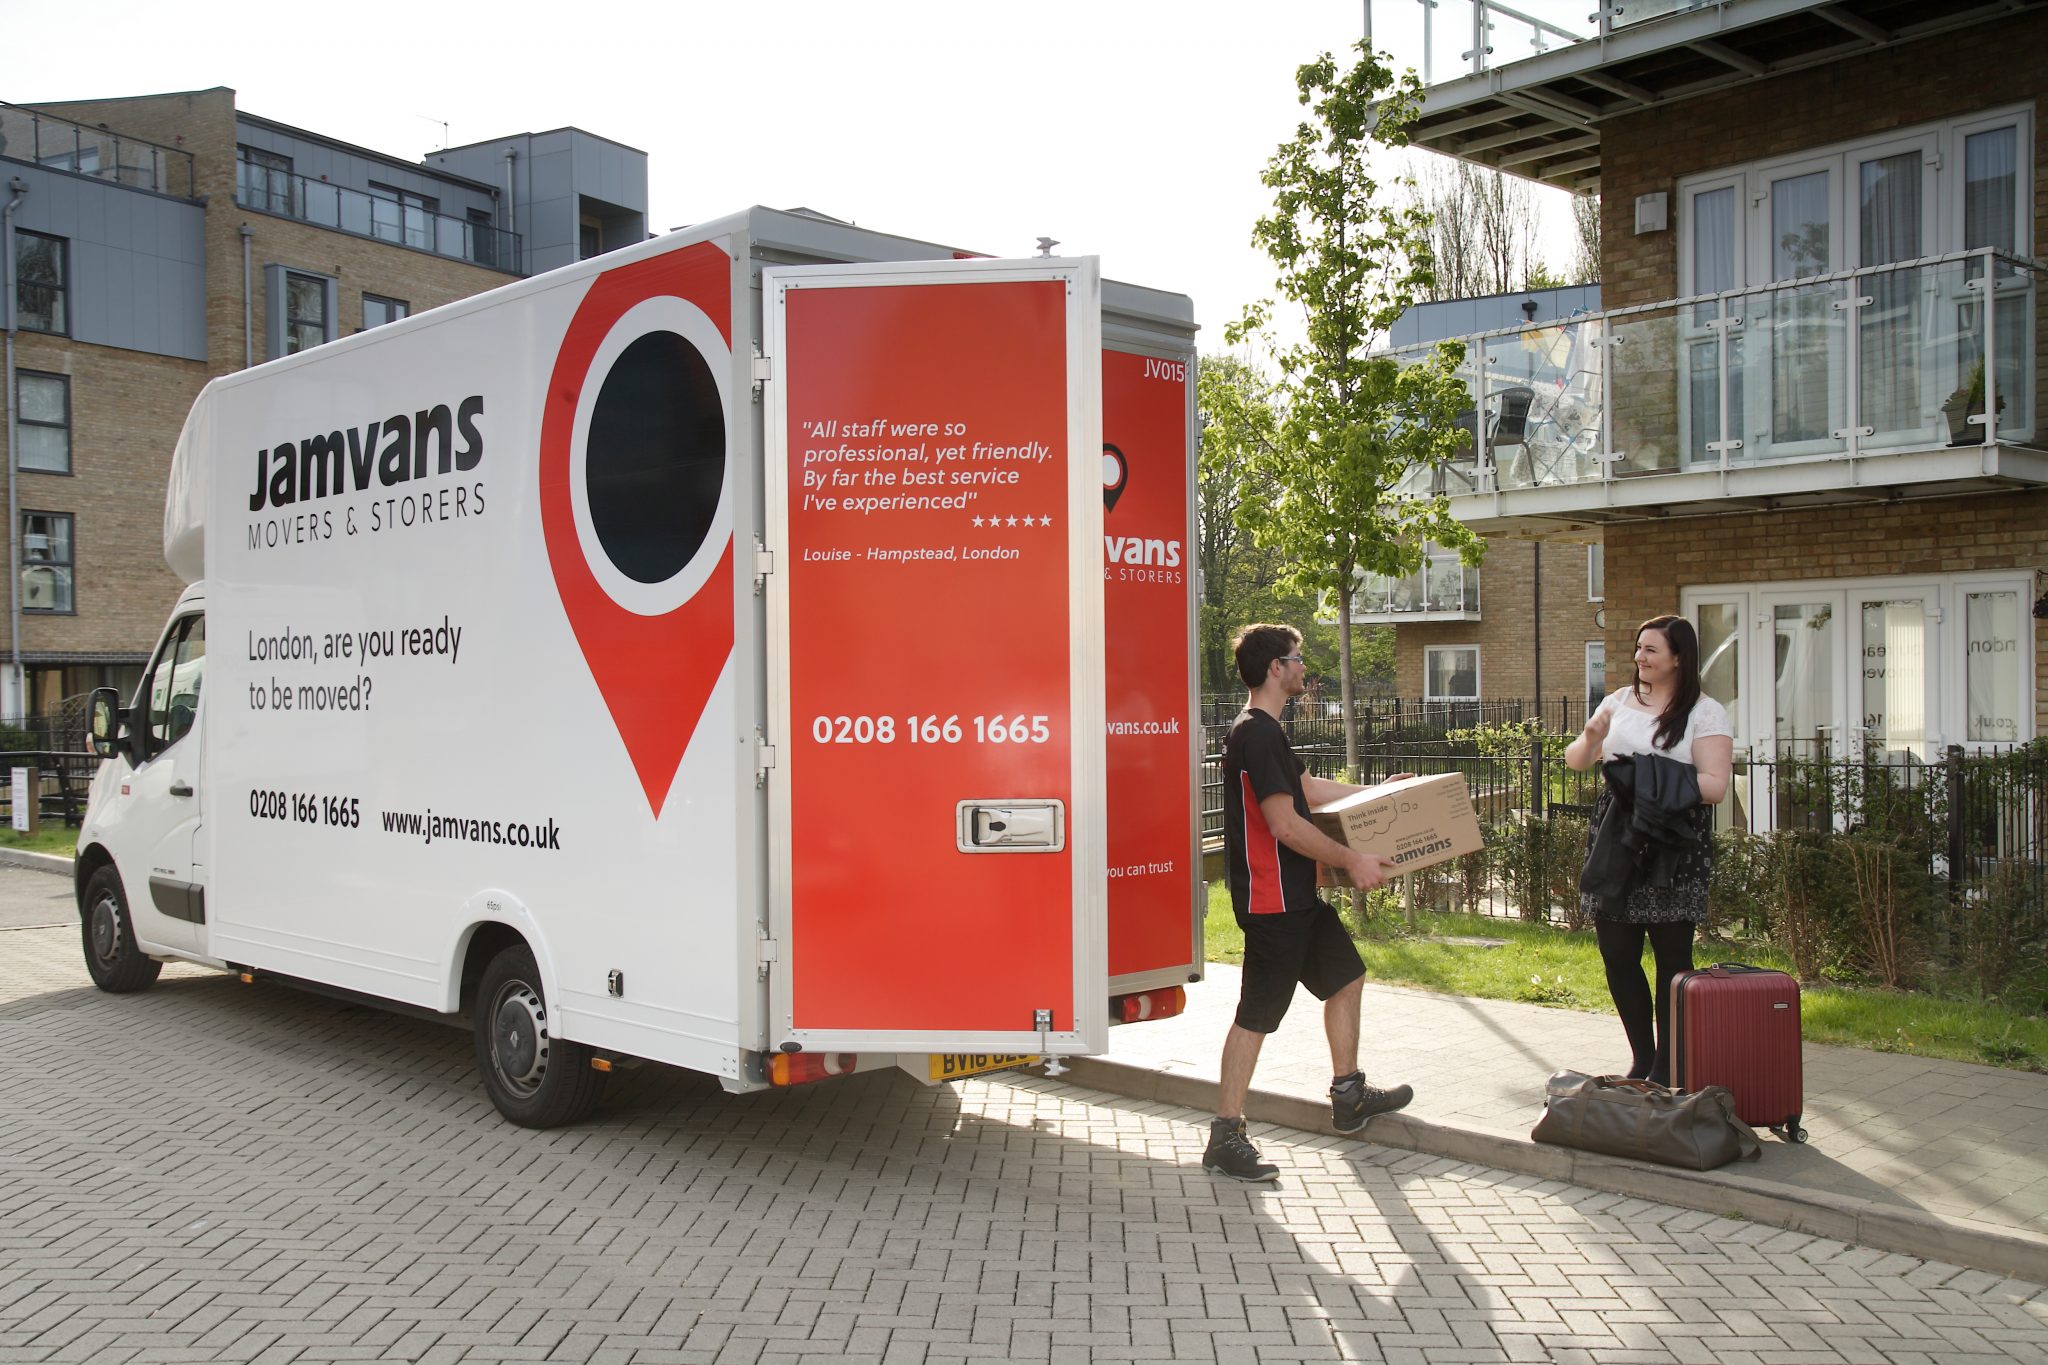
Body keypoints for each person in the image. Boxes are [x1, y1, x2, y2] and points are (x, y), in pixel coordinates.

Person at [1206, 624, 1415, 1182]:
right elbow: (1286, 825)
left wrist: (1381, 793)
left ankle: (1348, 1095)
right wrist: (1353, 860)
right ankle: (1226, 1134)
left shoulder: (1267, 732)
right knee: (1256, 1016)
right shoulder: (1257, 734)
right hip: (1274, 902)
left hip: (1298, 897)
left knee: (1347, 977)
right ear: (1275, 668)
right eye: (1298, 659)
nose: (1304, 668)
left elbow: (1311, 791)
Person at [1564, 615, 1733, 1087]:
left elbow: (1715, 786)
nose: (1640, 657)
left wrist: (1644, 777)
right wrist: (1592, 738)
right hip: (1617, 835)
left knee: (1671, 958)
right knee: (1617, 952)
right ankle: (1643, 1056)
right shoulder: (1618, 701)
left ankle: (1669, 1065)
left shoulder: (1705, 712)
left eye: (1651, 650)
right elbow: (1577, 761)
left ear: (1679, 657)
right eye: (1638, 648)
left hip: (1670, 842)